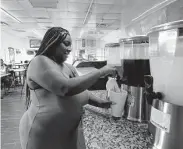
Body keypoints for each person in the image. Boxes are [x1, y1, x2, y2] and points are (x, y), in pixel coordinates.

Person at [19, 27, 117, 149]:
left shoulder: (68, 67)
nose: (70, 49)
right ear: (52, 42)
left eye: (70, 45)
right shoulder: (39, 62)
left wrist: (101, 103)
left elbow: (81, 91)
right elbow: (64, 88)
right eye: (66, 44)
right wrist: (101, 72)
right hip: (43, 135)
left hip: (66, 134)